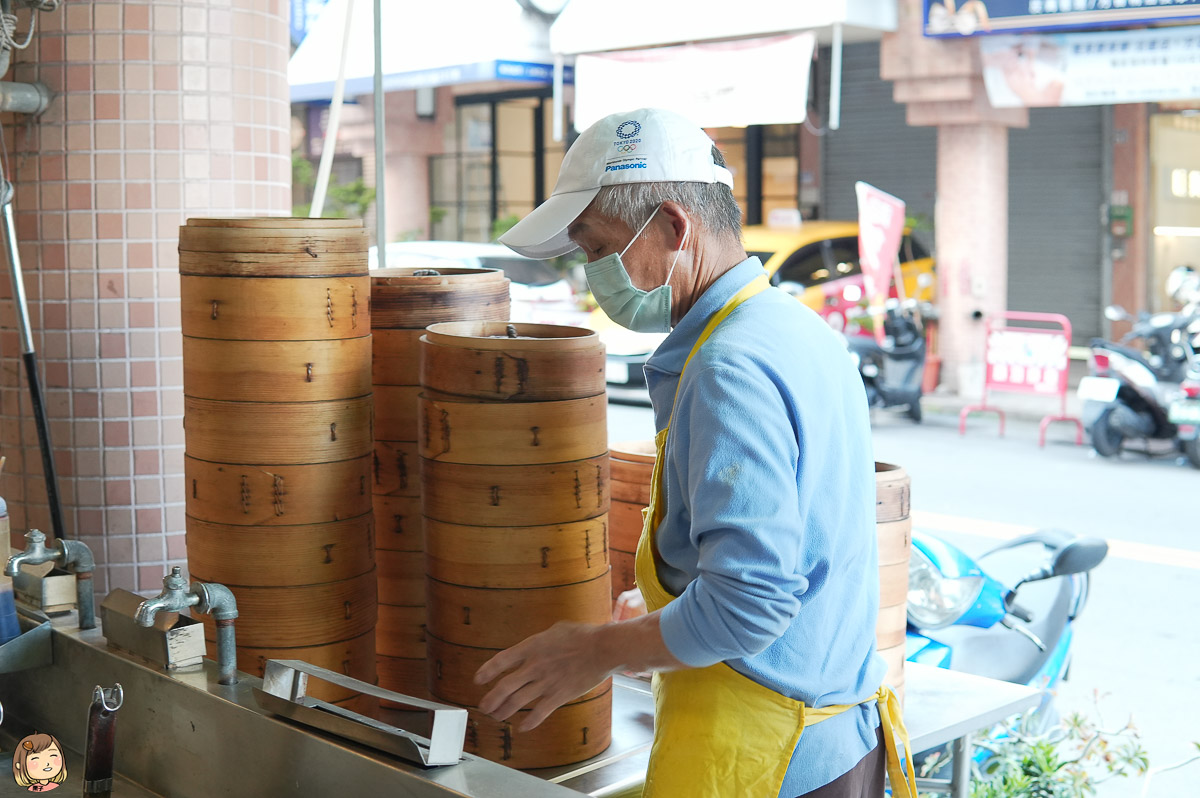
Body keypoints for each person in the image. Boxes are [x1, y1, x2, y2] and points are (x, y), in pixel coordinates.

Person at [476, 107, 915, 798]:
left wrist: (591, 652)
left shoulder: (728, 368)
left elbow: (750, 604)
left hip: (769, 759)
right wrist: (664, 615)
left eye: (598, 248)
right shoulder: (795, 330)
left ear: (674, 228)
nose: (595, 274)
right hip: (833, 741)